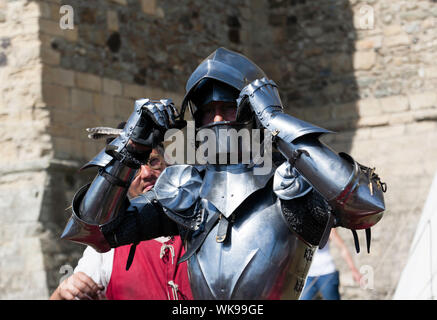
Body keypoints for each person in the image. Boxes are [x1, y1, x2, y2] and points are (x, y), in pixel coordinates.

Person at [60, 47, 386, 299]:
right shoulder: (186, 189)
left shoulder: (292, 179)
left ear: (252, 108)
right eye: (207, 111)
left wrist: (274, 120)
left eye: (227, 108)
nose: (217, 121)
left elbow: (365, 206)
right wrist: (131, 147)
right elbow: (92, 231)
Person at [50, 146, 193, 300]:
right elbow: (70, 293)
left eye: (153, 161)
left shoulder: (203, 222)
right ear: (120, 183)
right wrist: (61, 293)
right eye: (133, 169)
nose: (146, 173)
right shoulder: (107, 247)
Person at [300, 229, 362, 300]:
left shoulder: (328, 227)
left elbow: (342, 248)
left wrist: (353, 269)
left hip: (327, 273)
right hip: (308, 275)